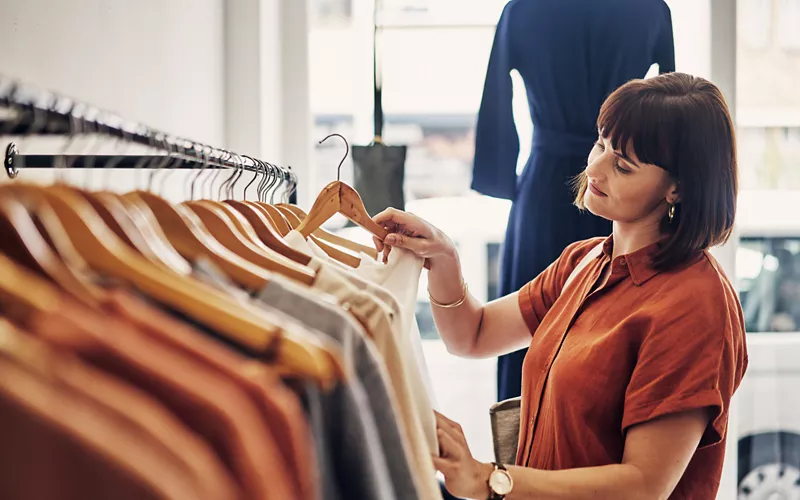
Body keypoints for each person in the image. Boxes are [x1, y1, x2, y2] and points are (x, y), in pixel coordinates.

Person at [373, 73, 748, 499]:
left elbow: (643, 486)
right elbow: (473, 334)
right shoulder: (584, 261)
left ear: (677, 188)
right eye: (600, 144)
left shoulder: (694, 304)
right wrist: (442, 257)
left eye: (622, 165)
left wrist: (489, 480)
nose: (594, 168)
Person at [473, 0, 675, 403]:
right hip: (625, 185)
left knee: (530, 333)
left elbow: (496, 94)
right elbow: (669, 118)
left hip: (545, 189)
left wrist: (501, 175)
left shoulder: (525, 10)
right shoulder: (650, 9)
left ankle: (520, 450)